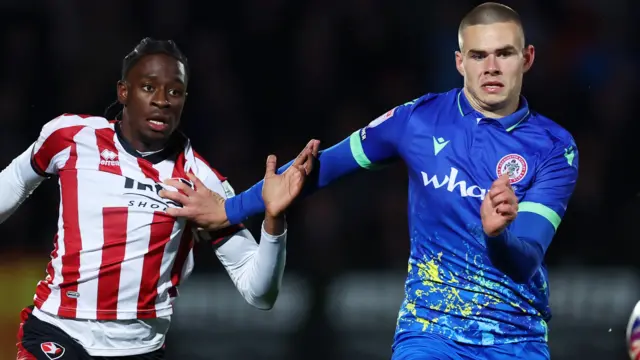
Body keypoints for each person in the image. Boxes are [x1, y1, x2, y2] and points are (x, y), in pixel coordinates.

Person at [161, 3, 579, 360]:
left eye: (504, 54)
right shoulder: (417, 120)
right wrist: (230, 209)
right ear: (458, 61)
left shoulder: (554, 149)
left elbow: (524, 260)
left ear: (527, 58)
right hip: (430, 333)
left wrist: (497, 236)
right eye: (478, 55)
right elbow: (319, 167)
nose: (490, 67)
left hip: (516, 338)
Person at [1, 38, 314, 359]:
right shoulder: (70, 136)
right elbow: (12, 183)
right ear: (123, 91)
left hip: (138, 350)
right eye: (149, 88)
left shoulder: (201, 182)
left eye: (174, 91)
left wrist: (274, 221)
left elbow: (259, 293)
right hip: (58, 331)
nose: (162, 101)